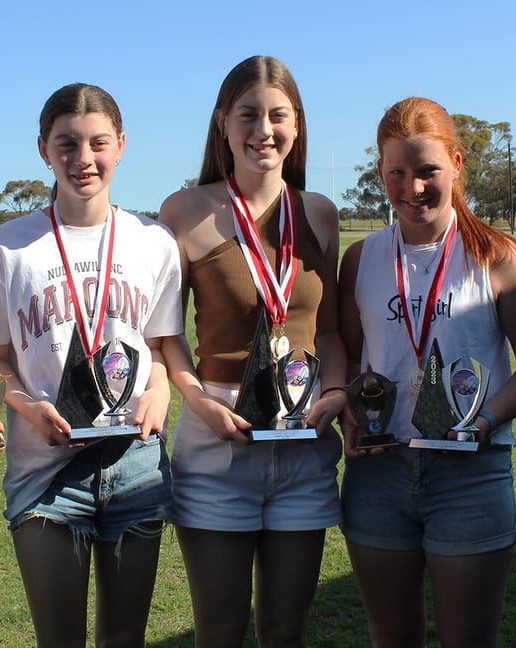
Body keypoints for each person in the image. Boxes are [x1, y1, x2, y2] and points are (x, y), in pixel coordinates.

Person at [0, 83, 183, 648]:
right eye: (66, 143)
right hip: (45, 471)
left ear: (122, 145)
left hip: (134, 459)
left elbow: (160, 344)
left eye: (97, 143)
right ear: (43, 148)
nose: (82, 159)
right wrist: (29, 407)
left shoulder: (154, 240)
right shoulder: (6, 248)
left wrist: (161, 388)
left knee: (125, 639)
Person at [337, 96, 516, 648]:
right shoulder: (361, 259)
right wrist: (348, 419)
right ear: (381, 173)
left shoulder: (498, 256)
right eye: (397, 173)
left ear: (456, 165)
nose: (412, 188)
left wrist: (482, 420)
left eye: (428, 171)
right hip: (379, 475)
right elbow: (345, 353)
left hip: (471, 474)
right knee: (392, 638)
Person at [159, 55, 346, 647]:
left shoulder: (318, 213)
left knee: (286, 630)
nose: (263, 130)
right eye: (248, 115)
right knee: (219, 630)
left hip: (304, 437)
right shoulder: (185, 210)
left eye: (278, 116)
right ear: (222, 122)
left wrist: (336, 394)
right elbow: (167, 336)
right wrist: (197, 403)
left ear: (297, 125)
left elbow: (334, 330)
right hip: (220, 439)